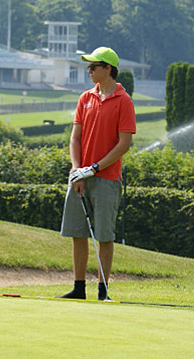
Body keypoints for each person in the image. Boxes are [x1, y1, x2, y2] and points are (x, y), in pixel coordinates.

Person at [58, 47, 136, 301]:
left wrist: (94, 169)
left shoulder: (124, 101)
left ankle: (103, 291)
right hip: (80, 176)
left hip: (106, 178)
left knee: (104, 236)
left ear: (108, 69)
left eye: (93, 67)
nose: (89, 71)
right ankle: (78, 288)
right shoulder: (85, 98)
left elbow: (124, 144)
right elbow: (75, 138)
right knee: (77, 233)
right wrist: (76, 170)